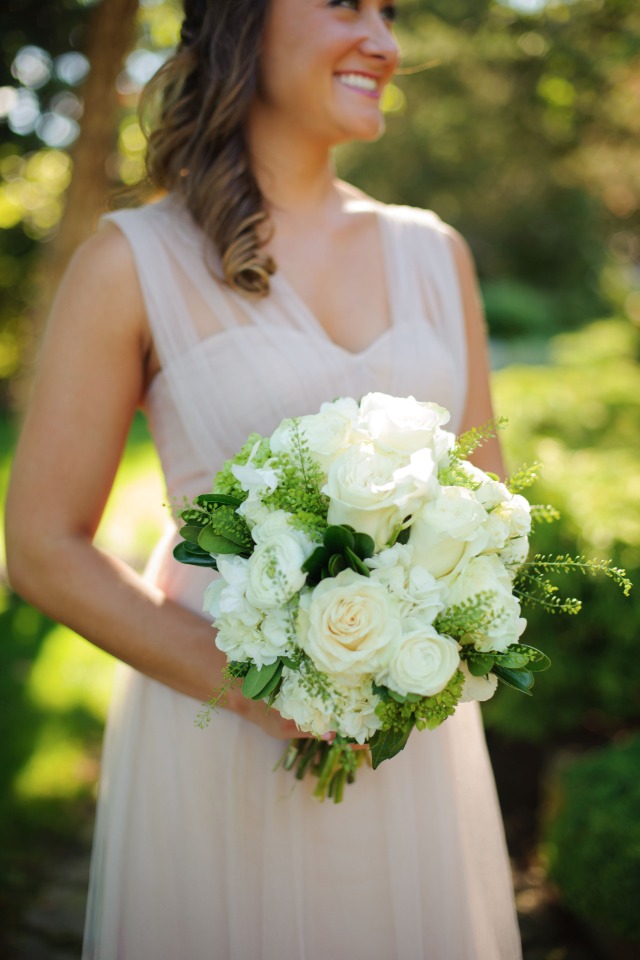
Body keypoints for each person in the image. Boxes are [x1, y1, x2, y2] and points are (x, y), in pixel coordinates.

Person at [5, 0, 523, 956]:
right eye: (345, 4)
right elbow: (41, 545)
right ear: (241, 22)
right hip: (219, 734)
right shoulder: (134, 264)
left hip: (408, 743)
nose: (384, 41)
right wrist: (255, 692)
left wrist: (424, 645)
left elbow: (489, 508)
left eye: (391, 12)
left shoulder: (434, 255)